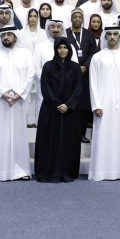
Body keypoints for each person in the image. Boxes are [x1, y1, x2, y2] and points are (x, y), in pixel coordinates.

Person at [0, 26, 34, 181]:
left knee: (18, 136)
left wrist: (19, 93)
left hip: (19, 102)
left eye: (9, 34)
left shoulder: (25, 54)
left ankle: (20, 170)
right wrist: (2, 93)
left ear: (16, 37)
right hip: (0, 101)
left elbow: (30, 74)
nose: (6, 37)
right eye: (3, 35)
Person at [88, 27, 120, 181]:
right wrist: (96, 104)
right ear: (105, 37)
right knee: (103, 137)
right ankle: (100, 172)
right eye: (109, 34)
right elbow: (93, 83)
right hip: (103, 105)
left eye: (115, 34)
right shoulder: (97, 57)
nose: (112, 37)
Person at [34, 38, 83, 182]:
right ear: (55, 49)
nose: (62, 50)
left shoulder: (75, 67)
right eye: (60, 47)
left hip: (70, 111)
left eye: (65, 47)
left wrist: (68, 105)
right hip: (51, 110)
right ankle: (49, 171)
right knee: (49, 140)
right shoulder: (48, 66)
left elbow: (78, 89)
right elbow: (45, 88)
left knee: (69, 140)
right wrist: (57, 104)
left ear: (69, 50)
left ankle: (67, 172)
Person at [65, 9, 98, 142]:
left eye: (80, 17)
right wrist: (74, 67)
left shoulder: (88, 34)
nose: (78, 19)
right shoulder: (65, 33)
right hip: (69, 74)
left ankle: (81, 134)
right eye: (75, 17)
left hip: (85, 75)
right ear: (71, 19)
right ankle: (69, 133)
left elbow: (94, 52)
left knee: (83, 105)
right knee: (70, 103)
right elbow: (62, 50)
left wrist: (85, 66)